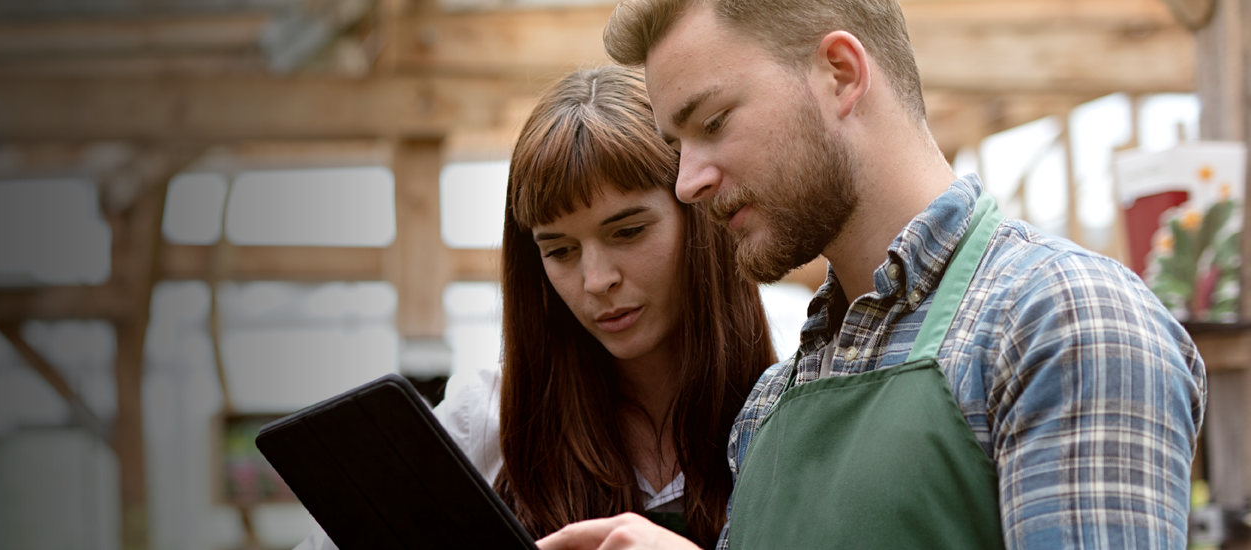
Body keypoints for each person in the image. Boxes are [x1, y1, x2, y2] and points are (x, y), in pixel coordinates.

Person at [536, 1, 1209, 549]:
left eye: (712, 122)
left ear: (838, 73)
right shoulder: (771, 403)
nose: (687, 182)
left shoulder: (1058, 320)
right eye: (676, 147)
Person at [294, 65, 777, 550]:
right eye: (559, 250)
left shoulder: (793, 415)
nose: (596, 280)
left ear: (700, 216)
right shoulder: (488, 425)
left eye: (627, 231)